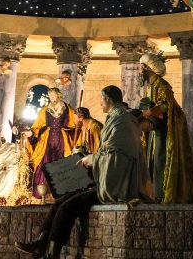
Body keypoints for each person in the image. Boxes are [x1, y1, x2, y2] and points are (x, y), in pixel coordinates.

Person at [15, 85, 152, 259]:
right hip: (103, 180)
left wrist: (92, 159)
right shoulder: (115, 118)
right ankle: (41, 244)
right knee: (59, 202)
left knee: (68, 207)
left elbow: (116, 154)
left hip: (116, 186)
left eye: (101, 99)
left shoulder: (123, 121)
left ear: (108, 99)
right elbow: (107, 151)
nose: (100, 103)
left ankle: (52, 253)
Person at [139, 52, 193, 203]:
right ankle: (153, 193)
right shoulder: (150, 87)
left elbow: (167, 105)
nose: (139, 70)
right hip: (154, 130)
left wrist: (150, 112)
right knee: (152, 160)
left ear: (149, 68)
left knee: (161, 160)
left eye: (142, 67)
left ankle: (162, 194)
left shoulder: (162, 85)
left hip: (165, 131)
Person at [27, 87, 76, 199]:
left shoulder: (67, 109)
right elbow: (37, 125)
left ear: (58, 95)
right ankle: (42, 193)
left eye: (52, 95)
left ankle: (61, 193)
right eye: (49, 96)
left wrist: (74, 128)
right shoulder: (45, 110)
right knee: (45, 161)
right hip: (47, 140)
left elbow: (73, 124)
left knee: (60, 162)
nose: (51, 98)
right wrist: (31, 133)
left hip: (61, 140)